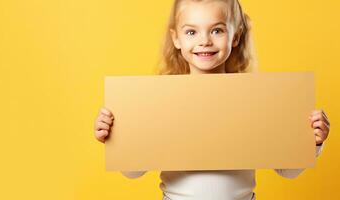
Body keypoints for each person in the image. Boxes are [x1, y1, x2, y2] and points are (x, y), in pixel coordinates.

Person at [93, 0, 331, 199]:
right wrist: (116, 137)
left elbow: (287, 170)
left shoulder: (254, 100)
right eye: (191, 32)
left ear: (235, 36)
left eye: (217, 30)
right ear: (176, 39)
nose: (204, 40)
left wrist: (313, 142)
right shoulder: (160, 101)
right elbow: (134, 171)